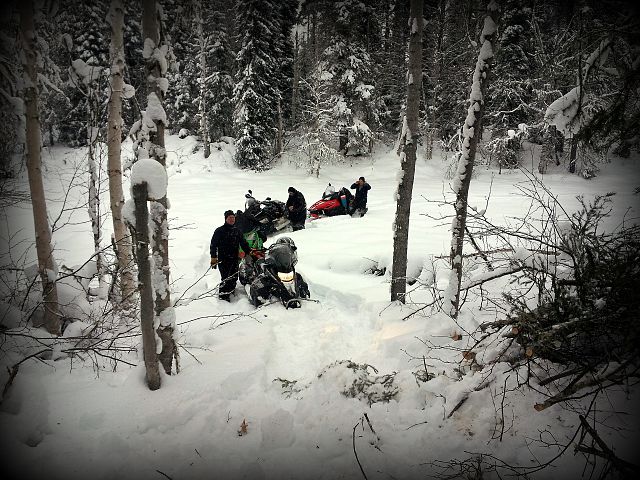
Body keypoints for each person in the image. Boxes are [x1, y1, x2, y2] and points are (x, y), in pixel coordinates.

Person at [210, 210, 252, 301]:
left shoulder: (237, 231)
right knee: (226, 278)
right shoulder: (219, 231)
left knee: (233, 277)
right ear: (226, 219)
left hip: (234, 258)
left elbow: (243, 243)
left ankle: (231, 290)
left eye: (233, 218)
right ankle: (223, 297)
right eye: (230, 218)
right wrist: (213, 257)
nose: (232, 219)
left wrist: (249, 252)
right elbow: (213, 244)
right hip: (223, 259)